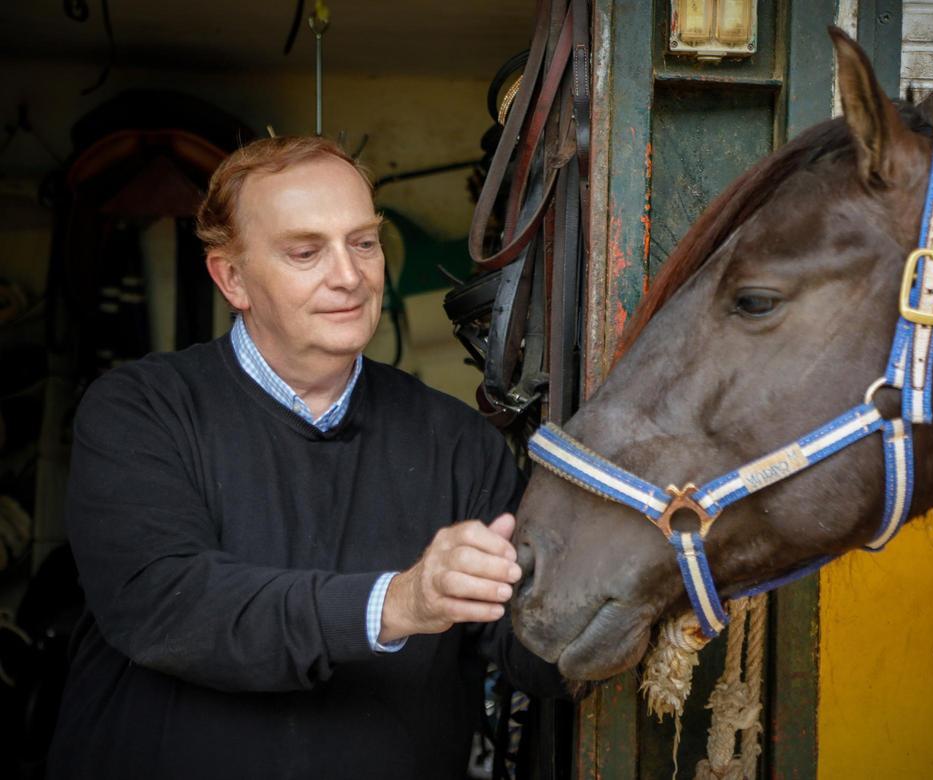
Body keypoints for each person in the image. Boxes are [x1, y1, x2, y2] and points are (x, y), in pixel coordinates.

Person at [47, 136, 563, 778]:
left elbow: (534, 649)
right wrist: (398, 603)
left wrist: (643, 581)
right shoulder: (140, 413)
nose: (349, 275)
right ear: (232, 278)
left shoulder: (456, 442)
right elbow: (167, 605)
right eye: (305, 251)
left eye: (364, 242)